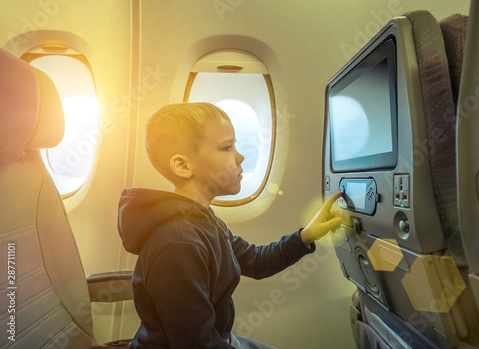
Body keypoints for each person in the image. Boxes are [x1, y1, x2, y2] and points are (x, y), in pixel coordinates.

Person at [118, 102, 342, 348]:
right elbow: (196, 343)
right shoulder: (178, 244)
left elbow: (256, 261)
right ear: (183, 166)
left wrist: (306, 235)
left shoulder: (204, 221)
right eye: (226, 147)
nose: (240, 156)